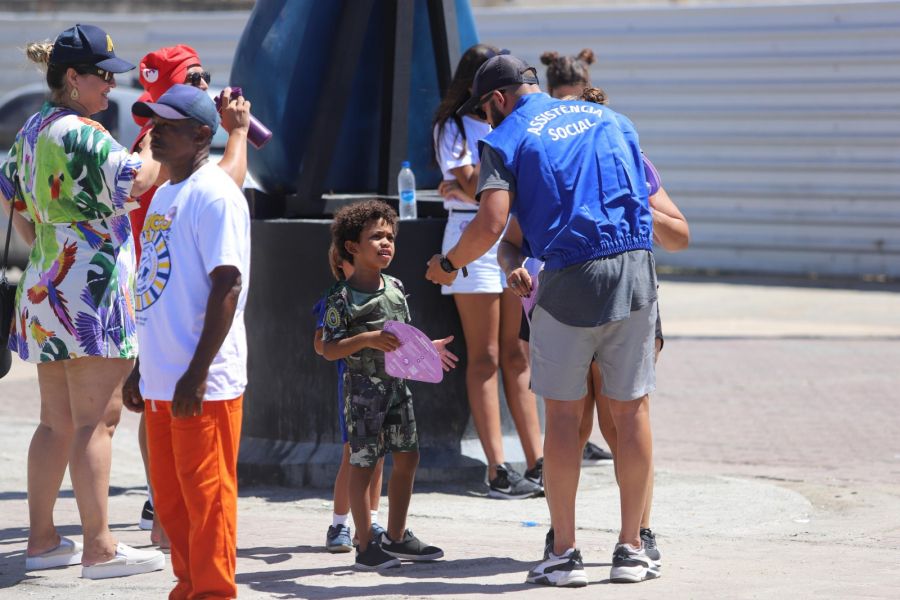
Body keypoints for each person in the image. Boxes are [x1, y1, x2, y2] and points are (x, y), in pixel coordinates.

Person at [426, 53, 659, 586]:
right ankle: (631, 548)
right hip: (637, 271)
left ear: (499, 99)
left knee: (562, 418)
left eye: (486, 113)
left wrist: (448, 266)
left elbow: (490, 222)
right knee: (632, 414)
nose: (487, 123)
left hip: (568, 276)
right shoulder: (614, 120)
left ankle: (566, 552)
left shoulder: (505, 139)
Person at [0, 23, 165, 579]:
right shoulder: (82, 132)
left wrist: (40, 235)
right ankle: (100, 547)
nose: (109, 89)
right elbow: (138, 180)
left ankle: (43, 539)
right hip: (91, 293)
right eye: (102, 78)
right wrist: (156, 147)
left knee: (56, 424)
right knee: (98, 421)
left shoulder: (32, 129)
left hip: (47, 288)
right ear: (73, 78)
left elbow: (7, 192)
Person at [121, 84, 251, 599]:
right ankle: (188, 589)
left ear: (202, 133)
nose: (155, 133)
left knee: (208, 504)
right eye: (153, 123)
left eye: (168, 125)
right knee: (173, 507)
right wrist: (140, 368)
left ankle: (213, 593)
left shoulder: (216, 193)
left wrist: (195, 375)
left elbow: (228, 283)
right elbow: (157, 286)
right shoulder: (167, 194)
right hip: (161, 379)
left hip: (204, 385)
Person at [432, 44, 544, 499]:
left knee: (519, 354)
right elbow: (481, 186)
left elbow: (480, 187)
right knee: (486, 356)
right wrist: (474, 188)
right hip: (470, 245)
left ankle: (538, 462)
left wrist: (470, 187)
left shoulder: (517, 122)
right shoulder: (453, 125)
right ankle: (497, 468)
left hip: (511, 240)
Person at [322, 200, 454, 571]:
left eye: (390, 237)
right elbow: (330, 349)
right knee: (363, 463)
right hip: (363, 392)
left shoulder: (395, 286)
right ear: (352, 246)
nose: (386, 243)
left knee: (409, 457)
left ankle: (396, 537)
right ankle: (366, 546)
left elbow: (403, 338)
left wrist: (429, 349)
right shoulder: (341, 296)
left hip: (398, 389)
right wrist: (367, 339)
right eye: (376, 236)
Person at [541, 49, 615, 466]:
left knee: (612, 396)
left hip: (609, 276)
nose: (572, 113)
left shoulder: (613, 138)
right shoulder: (544, 146)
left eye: (581, 102)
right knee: (569, 402)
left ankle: (637, 526)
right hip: (557, 277)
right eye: (562, 102)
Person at [313, 243, 387, 552]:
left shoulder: (388, 294)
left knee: (378, 453)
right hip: (354, 384)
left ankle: (369, 522)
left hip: (384, 383)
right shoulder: (336, 299)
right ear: (342, 263)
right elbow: (321, 345)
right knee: (352, 454)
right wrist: (363, 339)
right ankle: (339, 524)